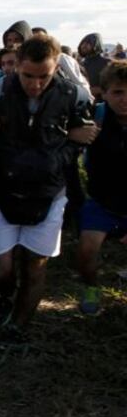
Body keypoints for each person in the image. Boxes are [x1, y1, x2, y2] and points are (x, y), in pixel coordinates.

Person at [0, 35, 95, 346]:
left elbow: (84, 137)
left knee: (35, 265)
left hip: (49, 194)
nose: (36, 83)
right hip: (2, 193)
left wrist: (58, 158)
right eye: (28, 75)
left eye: (44, 75)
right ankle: (6, 295)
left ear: (57, 66)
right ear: (16, 66)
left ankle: (18, 326)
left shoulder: (74, 95)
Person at [76, 60, 127, 315]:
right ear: (104, 92)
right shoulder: (95, 116)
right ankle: (91, 287)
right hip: (102, 203)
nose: (124, 99)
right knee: (86, 251)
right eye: (118, 92)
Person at [79, 33, 111, 101]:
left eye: (88, 43)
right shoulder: (82, 63)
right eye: (83, 42)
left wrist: (99, 89)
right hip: (87, 101)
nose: (84, 45)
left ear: (96, 45)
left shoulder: (107, 62)